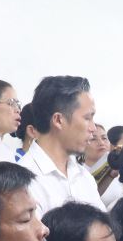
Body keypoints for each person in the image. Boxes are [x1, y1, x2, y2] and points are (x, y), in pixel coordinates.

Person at [20, 75, 105, 213]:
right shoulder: (24, 181)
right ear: (59, 120)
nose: (93, 128)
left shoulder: (84, 176)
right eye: (87, 118)